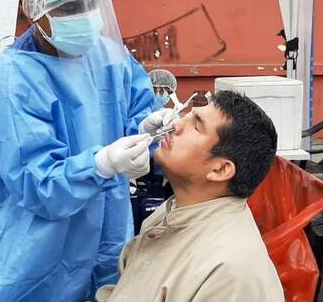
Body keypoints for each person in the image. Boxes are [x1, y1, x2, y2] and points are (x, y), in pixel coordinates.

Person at [0, 0, 175, 302]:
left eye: (90, 4)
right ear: (35, 11)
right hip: (26, 257)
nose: (85, 16)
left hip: (103, 239)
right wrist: (104, 163)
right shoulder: (7, 82)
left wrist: (146, 129)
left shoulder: (108, 57)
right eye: (69, 7)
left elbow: (135, 109)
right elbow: (37, 184)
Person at [96, 90, 284, 302]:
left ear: (220, 170)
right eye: (187, 114)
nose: (175, 125)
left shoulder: (230, 272)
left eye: (196, 126)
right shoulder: (173, 212)